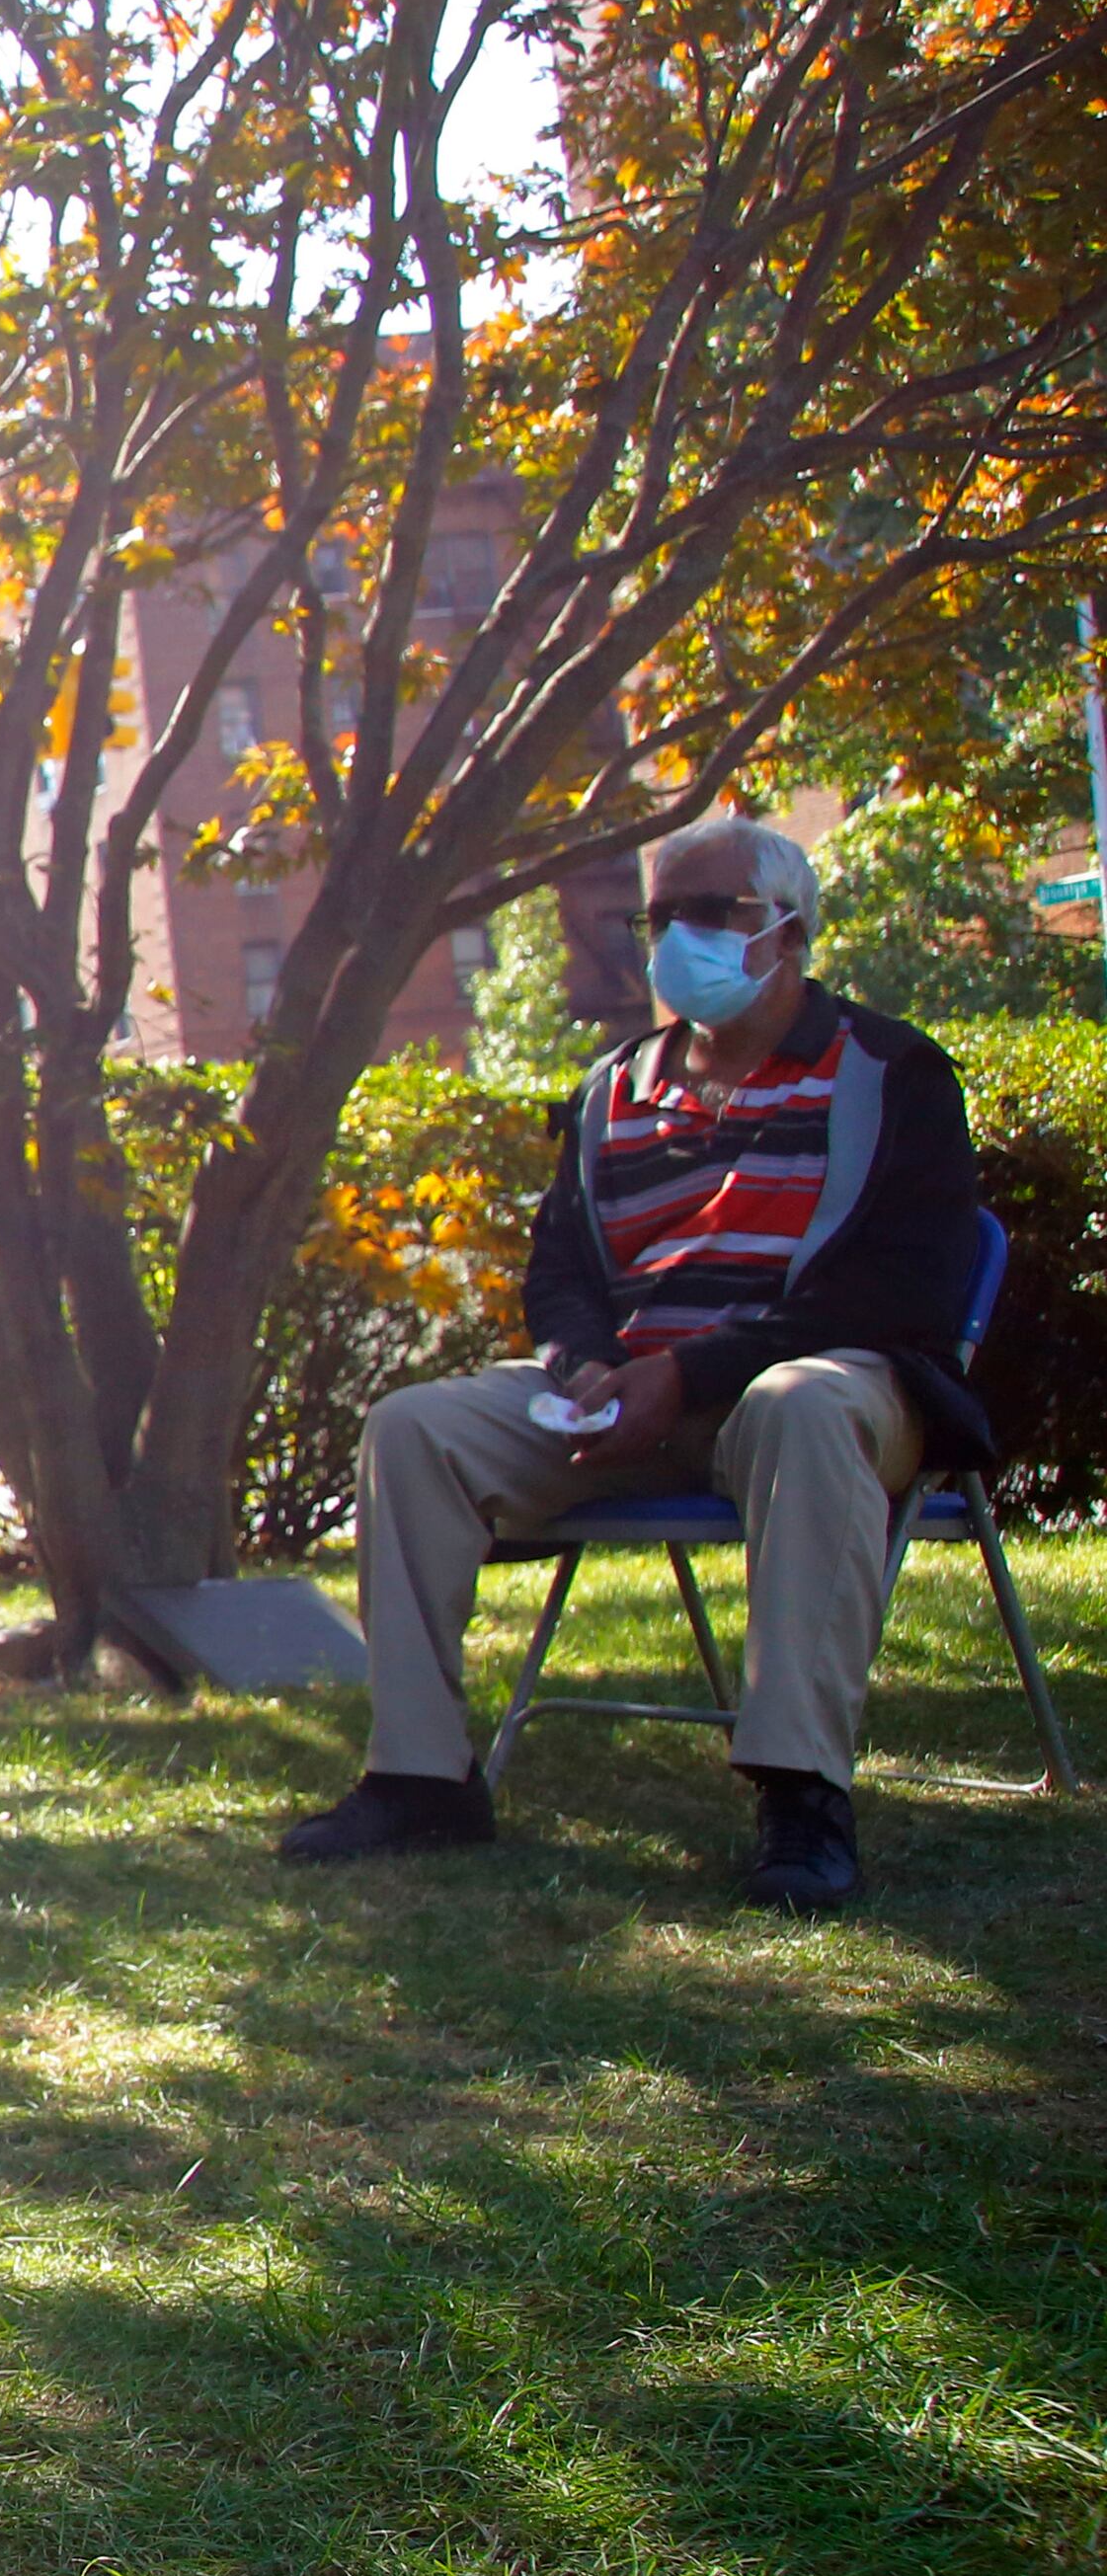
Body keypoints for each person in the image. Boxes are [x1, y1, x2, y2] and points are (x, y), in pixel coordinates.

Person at [277, 813, 988, 1911]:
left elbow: (897, 1292)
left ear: (787, 929)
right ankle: (418, 1777)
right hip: (631, 1398)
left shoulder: (887, 1072)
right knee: (412, 1427)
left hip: (825, 1389)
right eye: (658, 918)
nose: (675, 940)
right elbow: (556, 1277)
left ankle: (801, 1795)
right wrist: (585, 1372)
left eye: (710, 914)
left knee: (797, 1405)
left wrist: (692, 1372)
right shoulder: (614, 1087)